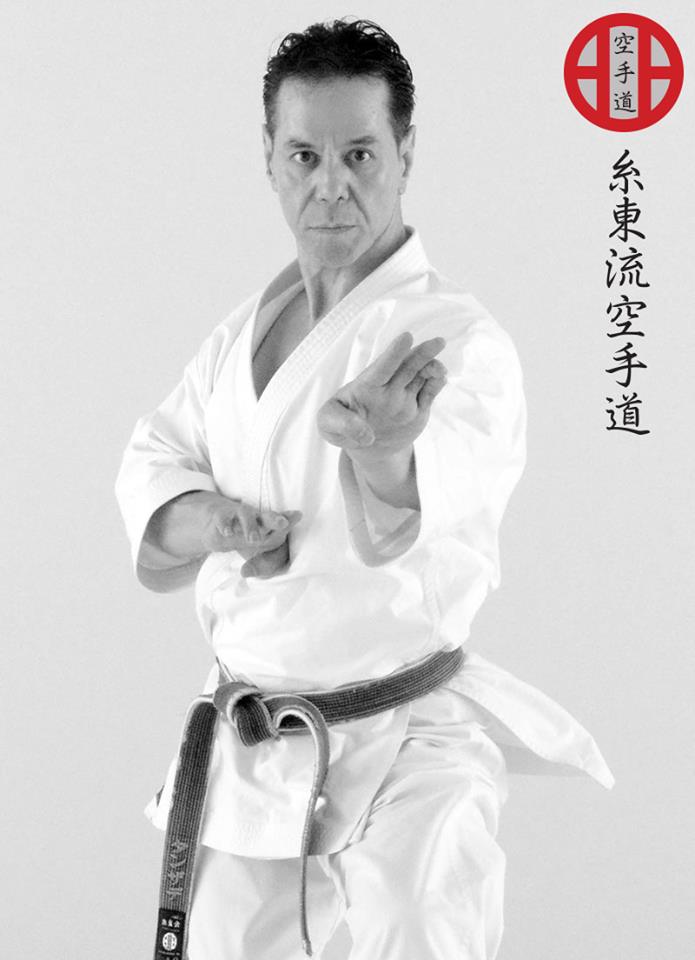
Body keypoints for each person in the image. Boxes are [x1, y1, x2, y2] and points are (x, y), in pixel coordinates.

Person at [116, 18, 613, 960]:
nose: (330, 184)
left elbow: (450, 493)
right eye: (304, 155)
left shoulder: (454, 337)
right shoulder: (236, 340)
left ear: (405, 153)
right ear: (269, 158)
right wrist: (213, 520)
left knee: (419, 926)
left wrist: (384, 458)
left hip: (404, 739)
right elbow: (153, 459)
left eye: (359, 154)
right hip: (254, 741)